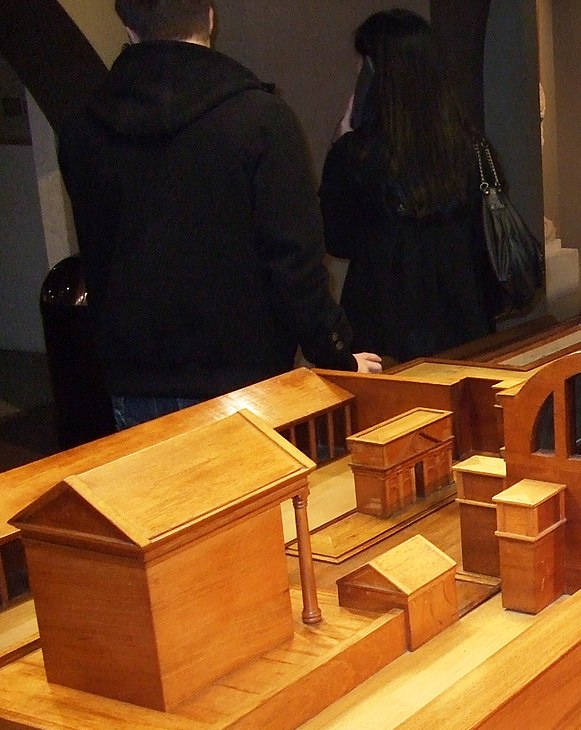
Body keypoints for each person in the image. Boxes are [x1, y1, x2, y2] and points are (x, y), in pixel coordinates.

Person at [58, 0, 381, 431]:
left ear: (129, 26)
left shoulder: (83, 127)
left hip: (136, 379)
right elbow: (294, 264)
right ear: (210, 17)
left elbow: (100, 256)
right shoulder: (260, 119)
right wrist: (335, 353)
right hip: (247, 378)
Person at [320, 8, 493, 365]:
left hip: (384, 336)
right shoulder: (468, 145)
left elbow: (337, 240)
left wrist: (341, 141)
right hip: (465, 328)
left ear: (376, 74)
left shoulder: (357, 154)